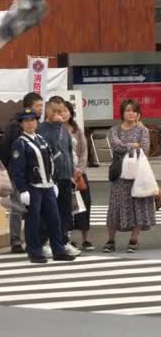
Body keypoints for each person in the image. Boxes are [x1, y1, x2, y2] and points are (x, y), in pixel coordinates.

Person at [9, 108, 75, 264]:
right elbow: (18, 170)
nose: (30, 123)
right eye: (26, 121)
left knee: (54, 219)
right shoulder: (20, 143)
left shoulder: (41, 139)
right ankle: (35, 252)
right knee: (34, 220)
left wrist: (53, 181)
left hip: (48, 186)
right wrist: (23, 190)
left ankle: (58, 250)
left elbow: (50, 162)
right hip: (33, 187)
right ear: (21, 124)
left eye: (32, 120)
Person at [104, 99, 155, 253]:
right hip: (120, 175)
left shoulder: (143, 131)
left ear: (138, 113)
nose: (131, 113)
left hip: (138, 174)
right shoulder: (115, 130)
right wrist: (133, 145)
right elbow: (116, 146)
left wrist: (132, 147)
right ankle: (111, 240)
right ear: (122, 113)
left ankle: (134, 240)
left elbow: (144, 149)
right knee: (115, 207)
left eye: (134, 110)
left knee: (139, 205)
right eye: (127, 110)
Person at [0, 92, 44, 253]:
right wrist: (10, 169)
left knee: (36, 207)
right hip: (18, 173)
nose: (41, 109)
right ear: (28, 107)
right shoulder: (14, 126)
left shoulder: (40, 126)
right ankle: (16, 241)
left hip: (37, 175)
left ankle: (35, 238)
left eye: (41, 106)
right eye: (38, 106)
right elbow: (4, 149)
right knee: (17, 208)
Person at [38, 96, 81, 258]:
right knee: (48, 212)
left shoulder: (64, 129)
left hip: (65, 176)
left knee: (65, 212)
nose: (58, 114)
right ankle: (43, 242)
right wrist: (56, 126)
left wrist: (72, 173)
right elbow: (49, 146)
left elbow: (69, 152)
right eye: (54, 110)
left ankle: (63, 241)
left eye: (60, 111)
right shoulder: (42, 128)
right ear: (47, 110)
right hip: (49, 178)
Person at [63, 101, 94, 251]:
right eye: (59, 111)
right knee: (65, 206)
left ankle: (86, 238)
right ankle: (66, 238)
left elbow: (84, 151)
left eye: (65, 111)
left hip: (79, 174)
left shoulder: (77, 130)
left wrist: (80, 170)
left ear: (71, 113)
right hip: (63, 174)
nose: (62, 114)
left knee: (84, 205)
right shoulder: (54, 130)